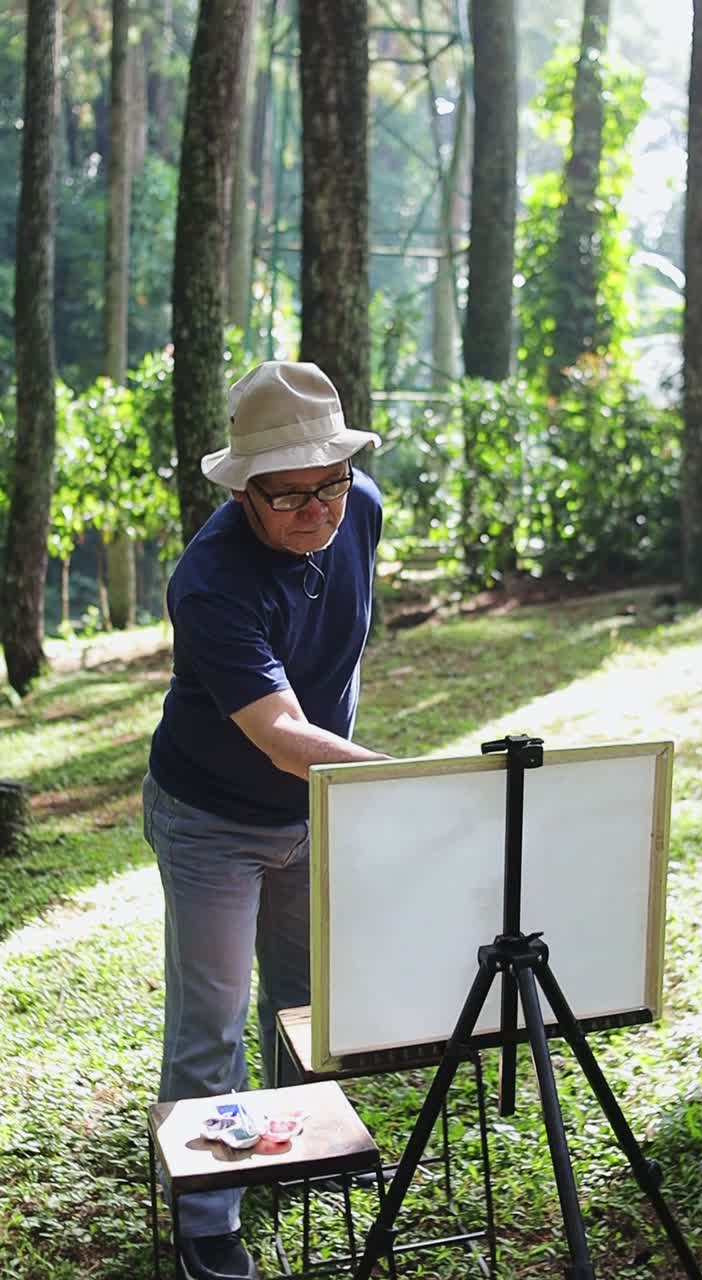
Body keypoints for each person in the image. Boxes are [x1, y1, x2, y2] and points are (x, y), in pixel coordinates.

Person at [142, 360, 385, 1280]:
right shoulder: (209, 580)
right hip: (211, 817)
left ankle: (295, 1152)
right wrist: (401, 779)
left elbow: (344, 642)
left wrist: (346, 778)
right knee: (211, 1023)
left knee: (305, 1003)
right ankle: (208, 1215)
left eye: (329, 485)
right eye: (290, 497)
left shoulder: (358, 503)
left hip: (312, 807)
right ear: (245, 488)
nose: (318, 511)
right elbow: (282, 734)